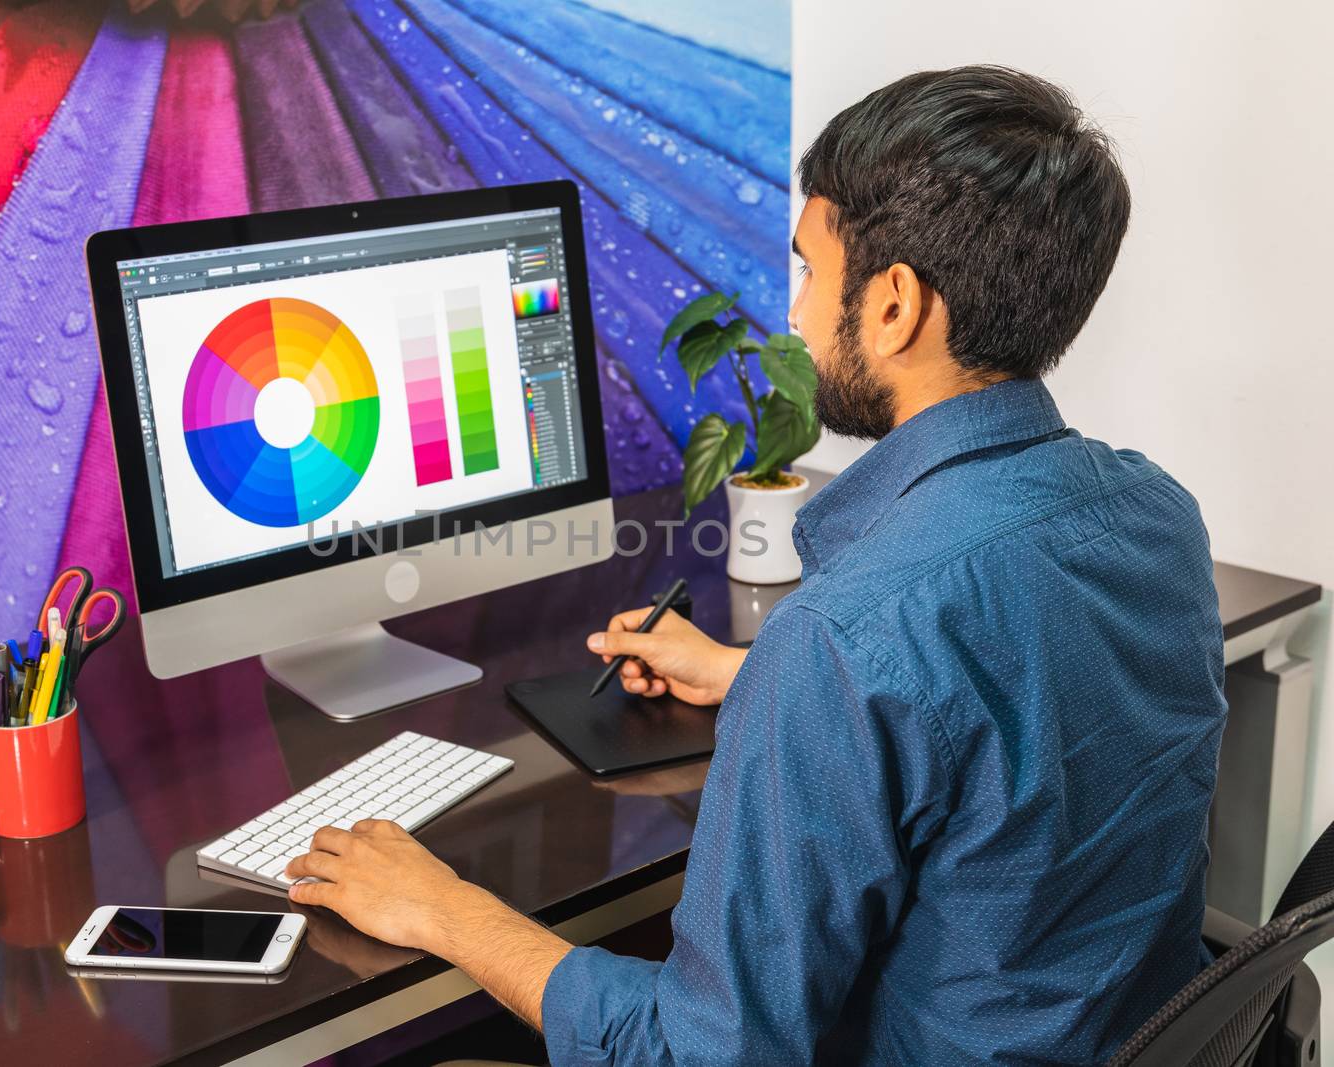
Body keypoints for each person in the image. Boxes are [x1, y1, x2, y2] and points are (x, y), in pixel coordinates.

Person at [282, 66, 1227, 1065]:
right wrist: (754, 675)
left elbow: (702, 1054)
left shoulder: (846, 638)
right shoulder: (1154, 513)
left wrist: (449, 909)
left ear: (896, 304)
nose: (797, 313)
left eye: (811, 273)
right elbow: (1009, 725)